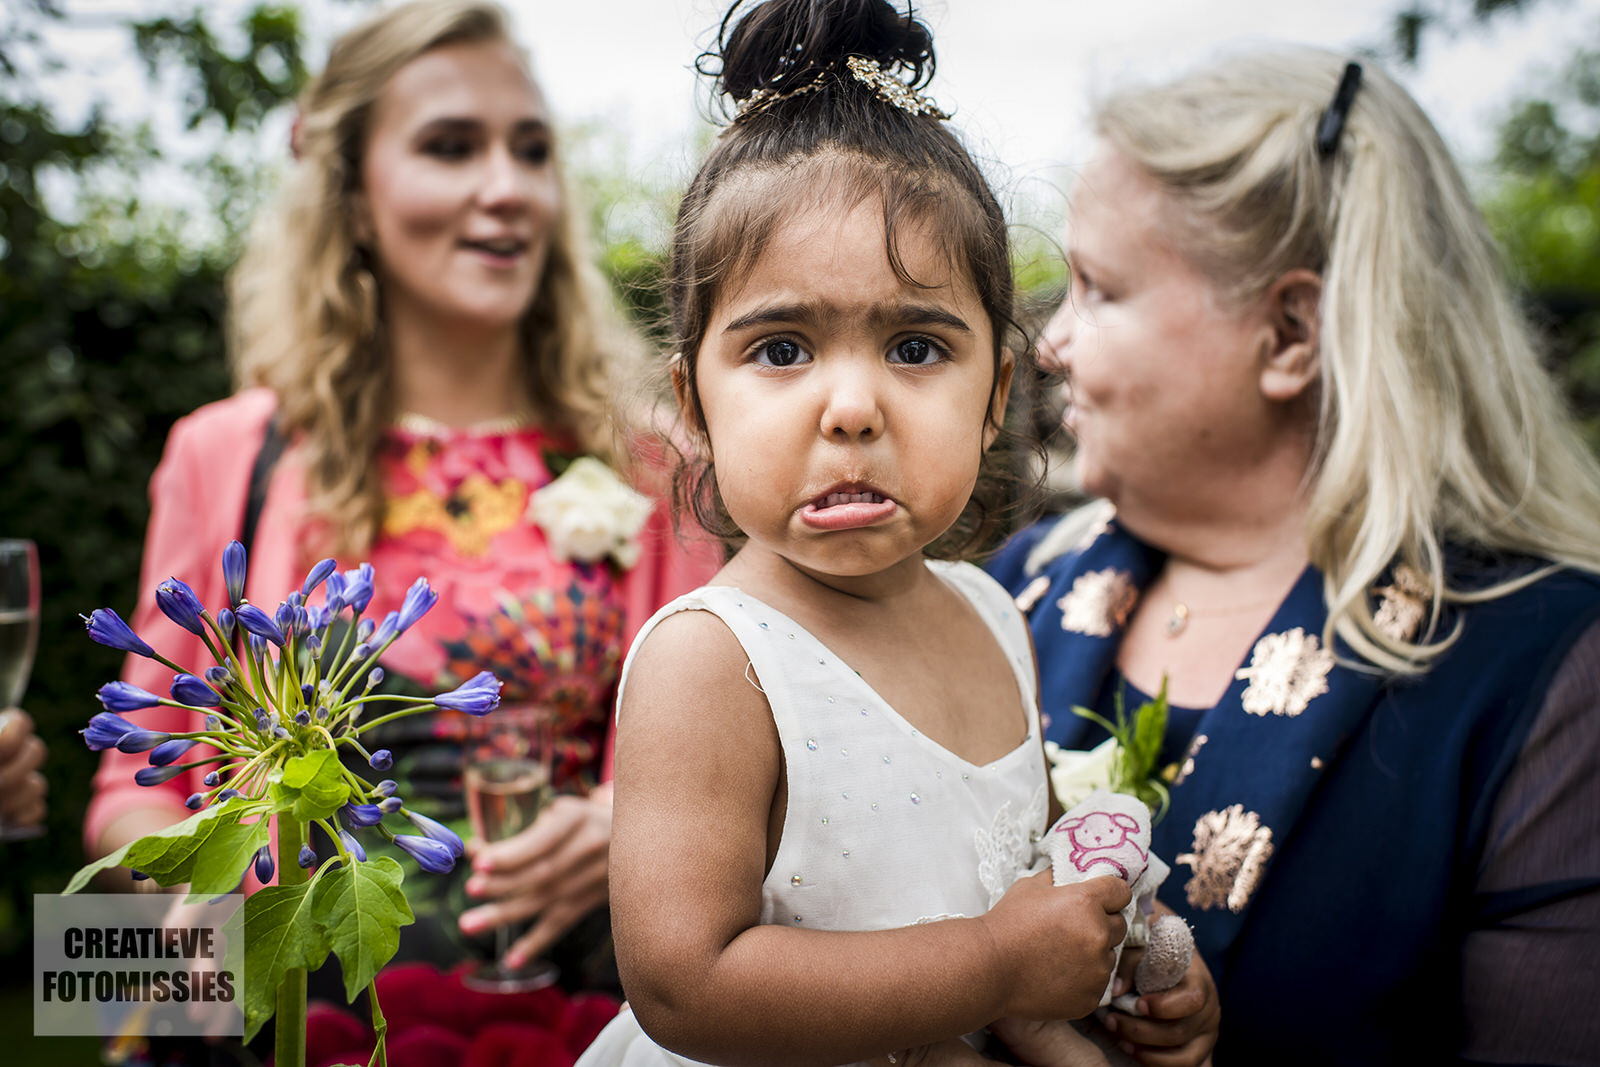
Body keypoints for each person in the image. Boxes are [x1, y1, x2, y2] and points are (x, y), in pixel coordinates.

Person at [577, 3, 1216, 1065]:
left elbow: (1024, 903)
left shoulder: (988, 611)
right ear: (695, 407)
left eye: (916, 347)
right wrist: (996, 961)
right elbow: (685, 984)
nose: (851, 407)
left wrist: (1121, 973)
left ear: (993, 392)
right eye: (781, 349)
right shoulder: (714, 661)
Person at [85, 0, 717, 998]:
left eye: (531, 149)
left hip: (569, 1014)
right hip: (283, 1012)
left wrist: (625, 822)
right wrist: (199, 941)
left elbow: (728, 764)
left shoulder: (657, 461)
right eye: (451, 147)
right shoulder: (226, 452)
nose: (506, 188)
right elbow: (133, 787)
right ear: (351, 196)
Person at [988, 48, 1600, 1064]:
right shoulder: (1018, 584)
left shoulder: (1548, 677)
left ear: (1287, 332)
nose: (1053, 342)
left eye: (1097, 289)